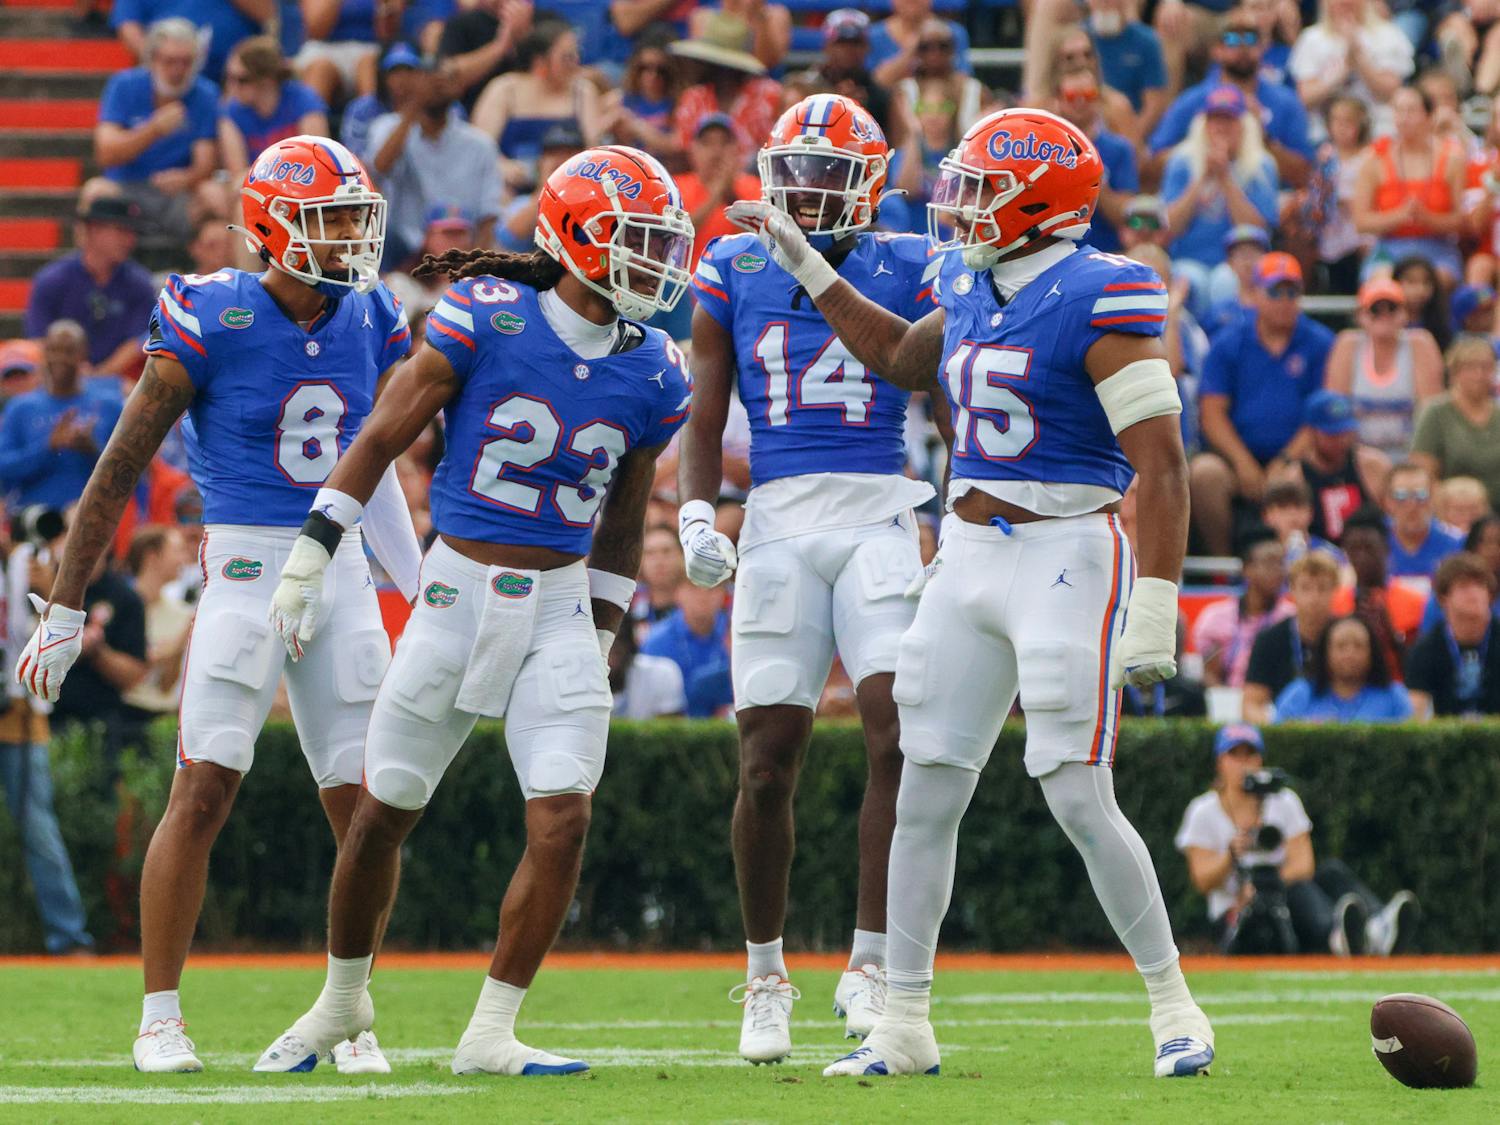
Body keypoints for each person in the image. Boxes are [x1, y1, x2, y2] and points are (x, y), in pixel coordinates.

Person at [728, 107, 1215, 1080]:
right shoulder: (966, 273)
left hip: (1065, 547)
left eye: (979, 187)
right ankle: (903, 1022)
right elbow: (904, 362)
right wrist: (813, 269)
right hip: (966, 548)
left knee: (1077, 792)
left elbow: (1159, 467)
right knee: (924, 789)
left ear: (1041, 202)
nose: (956, 205)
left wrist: (1157, 600)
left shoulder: (1102, 293)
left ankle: (1175, 1004)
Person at [252, 144, 695, 1077]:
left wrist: (606, 627)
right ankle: (340, 1001)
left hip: (562, 602)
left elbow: (624, 511)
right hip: (455, 590)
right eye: (638, 241)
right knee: (381, 815)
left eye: (664, 243)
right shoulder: (484, 317)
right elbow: (381, 433)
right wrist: (311, 552)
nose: (657, 263)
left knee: (564, 817)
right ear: (578, 238)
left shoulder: (655, 366)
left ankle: (491, 1029)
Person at [13, 135, 420, 1074]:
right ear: (276, 227)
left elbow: (378, 462)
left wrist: (422, 583)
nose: (355, 237)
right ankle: (160, 1014)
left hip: (343, 567)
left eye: (360, 217)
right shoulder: (213, 312)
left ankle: (350, 1010)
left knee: (368, 806)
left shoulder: (372, 317)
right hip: (243, 569)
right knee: (204, 785)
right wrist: (67, 605)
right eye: (333, 220)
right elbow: (118, 464)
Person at [680, 94, 937, 1058]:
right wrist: (698, 512)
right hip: (782, 518)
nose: (810, 187)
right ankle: (763, 973)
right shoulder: (731, 259)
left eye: (832, 172)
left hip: (878, 506)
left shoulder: (910, 259)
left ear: (869, 182)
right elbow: (706, 411)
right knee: (765, 758)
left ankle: (869, 961)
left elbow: (939, 387)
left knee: (895, 736)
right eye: (799, 167)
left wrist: (952, 513)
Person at [1176, 723, 1418, 956]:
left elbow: (1303, 865)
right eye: (1234, 755)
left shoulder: (1283, 801)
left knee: (1329, 873)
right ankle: (1336, 936)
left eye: (1249, 754)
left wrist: (1266, 885)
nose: (1243, 764)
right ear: (1220, 762)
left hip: (1284, 898)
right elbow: (1202, 880)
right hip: (1236, 911)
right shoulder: (1203, 810)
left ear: (1260, 759)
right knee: (1296, 890)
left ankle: (1378, 925)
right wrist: (1230, 856)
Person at [1190, 253, 1333, 557]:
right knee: (1204, 474)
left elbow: (1321, 414)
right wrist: (1243, 463)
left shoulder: (1320, 342)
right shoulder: (1228, 342)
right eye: (1274, 291)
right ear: (1254, 294)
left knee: (1313, 469)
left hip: (1298, 456)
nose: (1284, 300)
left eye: (1292, 291)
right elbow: (1212, 414)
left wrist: (1285, 459)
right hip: (1237, 458)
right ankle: (1223, 566)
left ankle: (1312, 558)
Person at [0, 528, 95, 956]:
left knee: (39, 830)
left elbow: (47, 634)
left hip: (19, 715)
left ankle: (69, 937)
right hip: (18, 715)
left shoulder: (27, 562)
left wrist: (46, 592)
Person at [1147, 5, 1314, 190]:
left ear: (1263, 47)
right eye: (1231, 39)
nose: (1242, 47)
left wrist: (1263, 138)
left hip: (1270, 199)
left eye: (1251, 38)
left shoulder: (1286, 102)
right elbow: (1152, 167)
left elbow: (1306, 173)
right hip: (1202, 202)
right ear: (1216, 49)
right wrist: (1202, 143)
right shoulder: (1192, 101)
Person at [93, 18, 219, 245]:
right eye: (170, 61)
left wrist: (187, 178)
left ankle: (215, 271)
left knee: (214, 195)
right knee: (95, 191)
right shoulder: (124, 85)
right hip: (126, 187)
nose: (178, 70)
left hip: (178, 194)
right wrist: (153, 129)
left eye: (186, 62)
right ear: (151, 59)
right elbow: (105, 153)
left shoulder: (205, 94)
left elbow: (206, 161)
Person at [369, 59, 504, 264]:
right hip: (405, 248)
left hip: (462, 247)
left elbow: (489, 217)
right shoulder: (388, 128)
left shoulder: (480, 145)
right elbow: (378, 170)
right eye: (428, 78)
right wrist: (414, 105)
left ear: (458, 89)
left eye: (446, 78)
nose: (436, 84)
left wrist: (475, 269)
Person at [1162, 85, 1281, 317]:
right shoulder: (1181, 162)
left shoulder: (1261, 167)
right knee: (1191, 279)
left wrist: (1225, 178)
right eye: (1215, 120)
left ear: (1243, 125)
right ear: (1203, 125)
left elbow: (1257, 229)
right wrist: (1201, 179)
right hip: (1188, 259)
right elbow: (1169, 227)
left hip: (1241, 265)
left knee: (1225, 282)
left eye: (1229, 120)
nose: (1221, 128)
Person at [22, 195, 156, 377]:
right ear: (94, 230)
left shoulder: (140, 284)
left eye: (132, 233)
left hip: (118, 383)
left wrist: (99, 374)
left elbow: (139, 341)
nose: (130, 240)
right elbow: (38, 340)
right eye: (122, 231)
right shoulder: (53, 279)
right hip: (58, 379)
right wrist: (70, 371)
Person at [0, 321, 123, 510]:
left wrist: (92, 448)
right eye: (54, 350)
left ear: (83, 353)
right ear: (44, 353)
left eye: (69, 351)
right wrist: (48, 447)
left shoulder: (109, 405)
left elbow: (129, 470)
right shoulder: (21, 408)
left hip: (95, 516)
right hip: (36, 520)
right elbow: (4, 468)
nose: (60, 358)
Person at [1352, 86, 1467, 284]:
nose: (1404, 118)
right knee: (1382, 279)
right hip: (1390, 245)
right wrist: (1400, 216)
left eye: (1411, 111)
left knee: (1439, 279)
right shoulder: (1375, 158)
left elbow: (1462, 220)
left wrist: (1428, 219)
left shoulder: (1452, 157)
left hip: (1437, 245)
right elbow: (1361, 222)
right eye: (1398, 111)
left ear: (1428, 115)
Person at [473, 19, 602, 193]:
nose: (575, 63)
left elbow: (593, 151)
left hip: (568, 188)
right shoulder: (505, 89)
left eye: (576, 55)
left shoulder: (582, 91)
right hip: (511, 188)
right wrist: (501, 165)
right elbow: (481, 147)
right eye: (566, 57)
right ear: (540, 61)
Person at [1323, 278, 1443, 459]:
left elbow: (1430, 415)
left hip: (1408, 457)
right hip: (1358, 457)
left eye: (1392, 308)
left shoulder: (1420, 344)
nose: (1384, 315)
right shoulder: (1347, 345)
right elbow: (1335, 410)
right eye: (1375, 310)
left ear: (1405, 314)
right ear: (1361, 315)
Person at [1289, 0, 1414, 133]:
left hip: (1378, 129)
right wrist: (1343, 70)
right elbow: (1306, 98)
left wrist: (1359, 60)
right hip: (1325, 135)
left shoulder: (1388, 35)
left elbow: (1391, 92)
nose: (1345, 2)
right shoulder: (1311, 39)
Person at [1243, 550, 1339, 722]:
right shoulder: (1269, 640)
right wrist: (1278, 727)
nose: (1314, 598)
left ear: (1335, 590)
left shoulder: (1348, 635)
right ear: (1292, 590)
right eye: (1306, 588)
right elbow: (1251, 704)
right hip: (1287, 725)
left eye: (1322, 588)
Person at [1331, 505, 1427, 677]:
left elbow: (1421, 669)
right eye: (1354, 549)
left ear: (1386, 547)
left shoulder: (1415, 602)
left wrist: (1390, 633)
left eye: (1369, 548)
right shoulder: (1334, 603)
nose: (1361, 557)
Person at [218, 36, 331, 182]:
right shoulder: (232, 112)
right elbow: (239, 175)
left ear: (266, 79)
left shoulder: (303, 100)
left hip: (303, 185)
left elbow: (317, 160)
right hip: (258, 188)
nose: (231, 87)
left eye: (242, 80)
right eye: (229, 78)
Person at [1191, 527, 1291, 688]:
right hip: (1224, 699)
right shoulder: (1216, 617)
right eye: (1270, 562)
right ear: (1247, 569)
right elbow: (1208, 674)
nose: (1279, 571)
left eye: (1281, 563)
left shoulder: (1290, 618)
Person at [1406, 552, 1500, 718]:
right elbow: (1417, 712)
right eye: (1464, 587)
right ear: (1444, 598)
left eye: (1480, 585)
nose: (1474, 593)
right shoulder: (1426, 649)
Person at [1412, 334, 1500, 511]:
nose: (1479, 374)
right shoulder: (1436, 413)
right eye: (1470, 367)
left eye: (1486, 367)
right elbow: (1423, 473)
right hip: (1454, 510)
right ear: (1454, 372)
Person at [1272, 614, 1414, 721]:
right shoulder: (1299, 694)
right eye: (1341, 646)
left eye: (1358, 646)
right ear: (1325, 652)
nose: (1350, 654)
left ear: (1372, 652)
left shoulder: (1394, 696)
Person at [1055, 69, 1136, 255]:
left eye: (1088, 95)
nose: (1080, 102)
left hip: (1106, 252)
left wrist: (1092, 175)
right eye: (1071, 96)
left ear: (1099, 100)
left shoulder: (1119, 149)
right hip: (1057, 254)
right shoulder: (1046, 149)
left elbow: (1125, 217)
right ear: (1058, 99)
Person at [1289, 389, 1385, 544]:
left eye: (1344, 432)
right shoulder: (1296, 478)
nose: (1340, 441)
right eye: (1331, 435)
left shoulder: (1372, 466)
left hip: (1370, 557)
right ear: (1312, 433)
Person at [639, 581, 733, 718]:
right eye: (693, 587)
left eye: (712, 587)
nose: (703, 596)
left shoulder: (735, 634)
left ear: (724, 594)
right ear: (677, 593)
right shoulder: (655, 641)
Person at [110, 0, 260, 83]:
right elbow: (128, 28)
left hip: (235, 80)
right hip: (163, 79)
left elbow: (267, 14)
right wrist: (162, 62)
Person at [1084, 0, 1168, 128]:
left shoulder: (1146, 41)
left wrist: (1131, 137)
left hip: (1130, 124)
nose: (1105, 4)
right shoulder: (1078, 40)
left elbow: (1154, 103)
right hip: (1085, 123)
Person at [1385, 462, 1465, 588]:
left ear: (1433, 498)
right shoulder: (1374, 541)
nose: (1412, 505)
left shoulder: (1457, 543)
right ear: (1388, 501)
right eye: (1401, 496)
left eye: (1421, 495)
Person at [865, 0, 971, 90]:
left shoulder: (953, 32)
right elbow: (876, 84)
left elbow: (963, 80)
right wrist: (912, 48)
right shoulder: (873, 35)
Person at [607, 622, 686, 719]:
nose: (608, 649)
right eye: (599, 641)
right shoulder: (583, 678)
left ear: (631, 643)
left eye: (618, 641)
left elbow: (671, 731)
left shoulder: (661, 674)